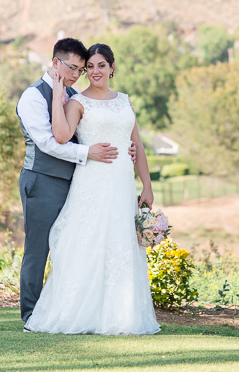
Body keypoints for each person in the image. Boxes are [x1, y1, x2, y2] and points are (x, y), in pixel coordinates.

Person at [24, 43, 160, 335]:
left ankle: (121, 314)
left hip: (122, 183)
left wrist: (146, 185)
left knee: (121, 242)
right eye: (89, 67)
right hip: (92, 181)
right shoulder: (75, 101)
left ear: (112, 67)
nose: (94, 71)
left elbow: (137, 145)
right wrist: (58, 97)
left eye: (100, 65)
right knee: (88, 241)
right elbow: (59, 137)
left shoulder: (125, 101)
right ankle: (74, 312)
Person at [16, 38, 129, 329]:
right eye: (74, 68)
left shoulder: (72, 94)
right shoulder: (33, 97)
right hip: (42, 180)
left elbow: (87, 128)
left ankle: (65, 308)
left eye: (81, 70)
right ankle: (31, 315)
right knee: (38, 250)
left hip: (76, 182)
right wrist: (87, 152)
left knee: (70, 246)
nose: (78, 75)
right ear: (56, 63)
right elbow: (47, 143)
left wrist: (123, 146)